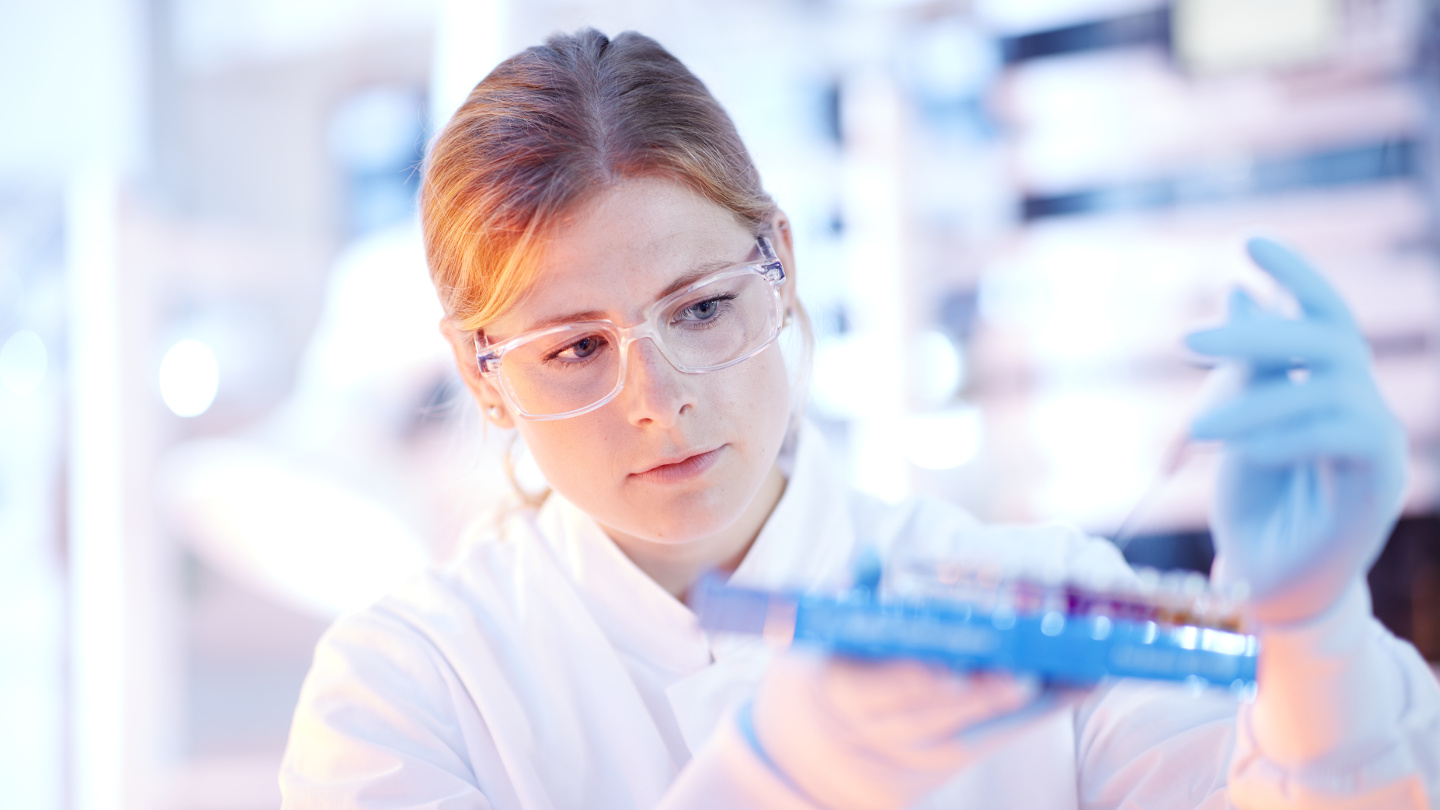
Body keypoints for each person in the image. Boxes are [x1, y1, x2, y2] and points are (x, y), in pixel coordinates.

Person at [279, 29, 1440, 810]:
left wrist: (1314, 636)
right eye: (577, 348)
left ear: (778, 261)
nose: (660, 393)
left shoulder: (1025, 596)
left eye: (704, 306)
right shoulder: (407, 686)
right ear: (483, 376)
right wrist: (776, 776)